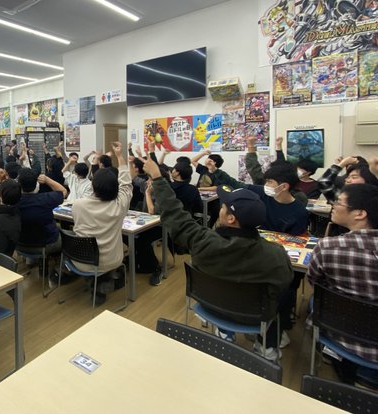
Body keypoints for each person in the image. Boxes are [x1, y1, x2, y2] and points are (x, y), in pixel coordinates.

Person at [145, 157, 293, 361]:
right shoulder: (275, 255)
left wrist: (157, 178)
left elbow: (175, 215)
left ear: (231, 219)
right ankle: (265, 347)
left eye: (223, 206)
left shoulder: (204, 242)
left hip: (211, 305)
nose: (220, 208)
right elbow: (283, 285)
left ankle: (225, 333)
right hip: (254, 314)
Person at [306, 183, 378, 384]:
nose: (333, 206)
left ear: (360, 214)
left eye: (338, 202)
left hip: (339, 331)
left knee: (314, 301)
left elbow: (314, 282)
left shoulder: (329, 247)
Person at [71, 142, 132, 304]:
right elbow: (126, 185)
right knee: (125, 248)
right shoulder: (119, 206)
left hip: (79, 260)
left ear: (92, 185)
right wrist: (120, 156)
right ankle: (107, 282)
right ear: (115, 188)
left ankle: (98, 285)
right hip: (109, 261)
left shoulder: (78, 205)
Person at [16, 167, 66, 260]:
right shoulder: (46, 198)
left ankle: (31, 260)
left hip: (19, 243)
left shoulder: (12, 199)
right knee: (63, 233)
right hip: (45, 245)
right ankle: (59, 265)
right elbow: (63, 191)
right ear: (36, 184)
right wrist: (47, 179)